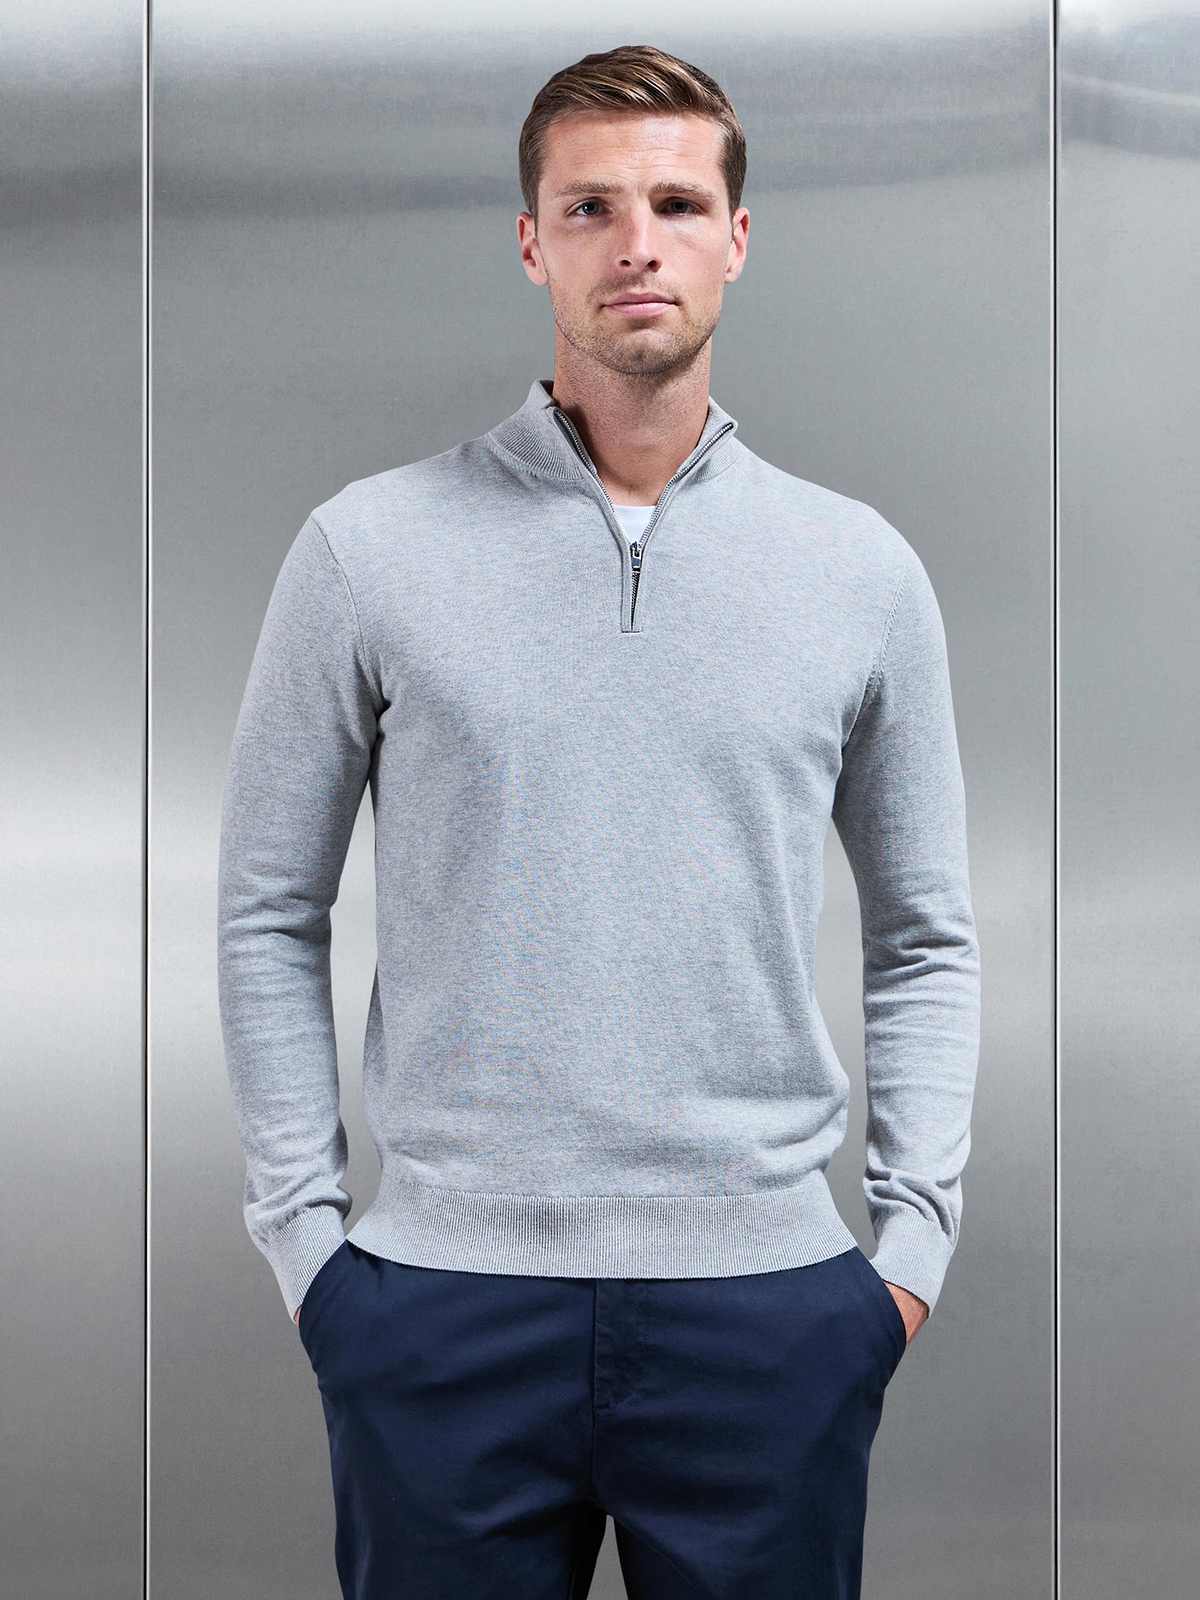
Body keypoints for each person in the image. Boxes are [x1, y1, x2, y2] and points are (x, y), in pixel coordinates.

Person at [217, 41, 981, 1600]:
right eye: (591, 207)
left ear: (736, 239)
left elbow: (926, 936)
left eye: (677, 204)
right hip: (439, 1312)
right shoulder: (368, 550)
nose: (639, 242)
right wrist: (308, 1249)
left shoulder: (860, 572)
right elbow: (266, 910)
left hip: (769, 1316)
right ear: (532, 242)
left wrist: (906, 1257)